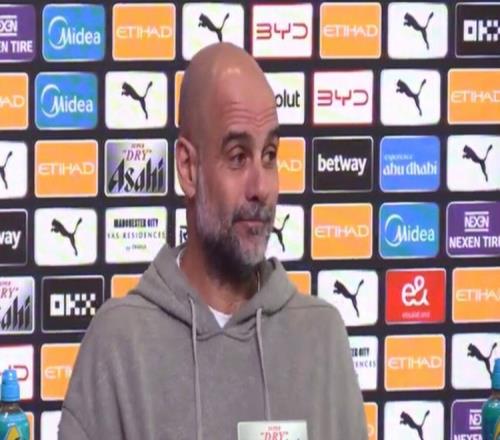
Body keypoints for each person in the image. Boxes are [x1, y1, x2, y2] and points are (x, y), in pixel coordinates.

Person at [58, 42, 367, 440]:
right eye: (238, 157)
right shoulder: (118, 344)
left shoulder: (321, 337)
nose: (260, 187)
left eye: (269, 155)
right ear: (188, 168)